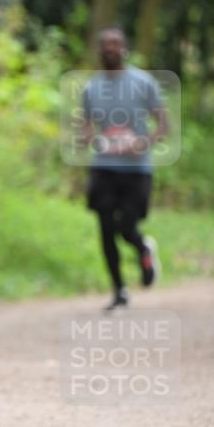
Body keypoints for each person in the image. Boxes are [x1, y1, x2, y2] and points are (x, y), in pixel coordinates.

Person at [82, 27, 167, 311]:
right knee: (106, 228)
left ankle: (143, 248)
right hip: (104, 167)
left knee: (126, 226)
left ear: (125, 48)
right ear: (99, 50)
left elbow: (163, 124)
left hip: (137, 169)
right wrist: (90, 139)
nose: (110, 48)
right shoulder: (90, 88)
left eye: (116, 44)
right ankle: (119, 290)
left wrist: (144, 142)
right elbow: (86, 127)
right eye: (105, 44)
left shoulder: (144, 82)